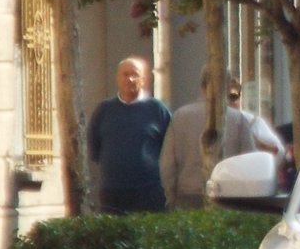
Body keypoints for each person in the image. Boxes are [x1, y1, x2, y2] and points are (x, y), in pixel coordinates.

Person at [160, 72, 278, 210]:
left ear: (202, 86)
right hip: (228, 196)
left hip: (187, 194)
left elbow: (167, 164)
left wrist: (171, 196)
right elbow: (249, 162)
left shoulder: (180, 117)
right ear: (227, 87)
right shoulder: (238, 119)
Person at [87, 56, 172, 214]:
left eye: (135, 74)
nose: (130, 79)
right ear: (117, 78)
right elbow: (94, 148)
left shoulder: (157, 110)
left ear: (144, 79)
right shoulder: (104, 110)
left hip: (149, 192)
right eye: (125, 74)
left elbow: (170, 148)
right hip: (112, 192)